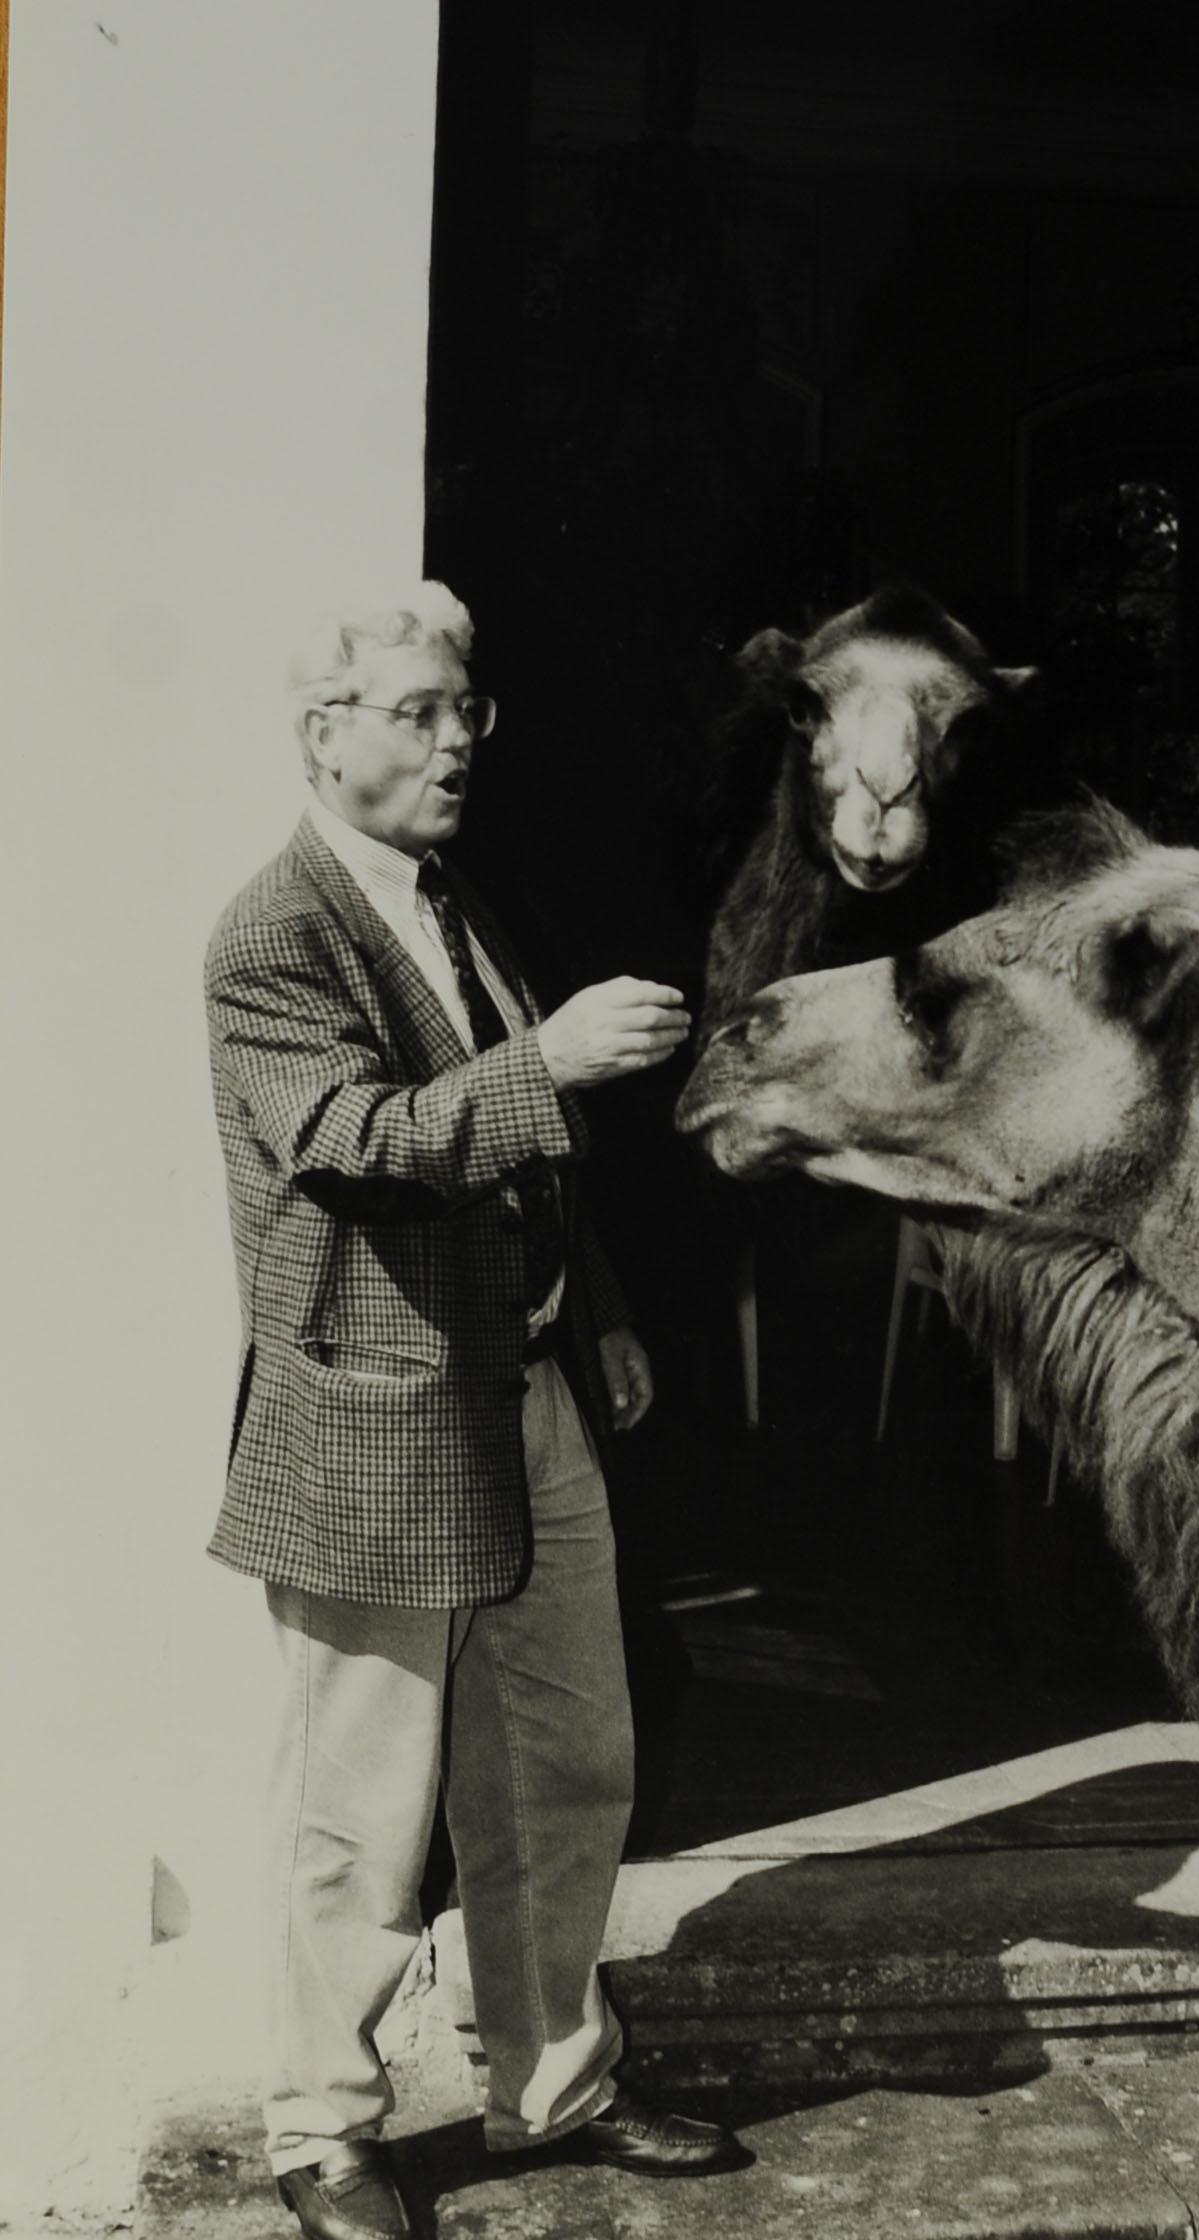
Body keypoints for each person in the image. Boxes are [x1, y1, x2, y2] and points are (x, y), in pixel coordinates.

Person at [203, 583, 747, 2240]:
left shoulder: (450, 902)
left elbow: (521, 1158)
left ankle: (551, 2081)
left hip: (526, 1389)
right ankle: (321, 2127)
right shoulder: (272, 933)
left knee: (566, 1761)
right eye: (423, 712)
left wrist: (616, 1317)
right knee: (360, 1812)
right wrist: (558, 1061)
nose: (459, 742)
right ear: (327, 732)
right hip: (374, 1419)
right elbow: (358, 1138)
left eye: (467, 712)